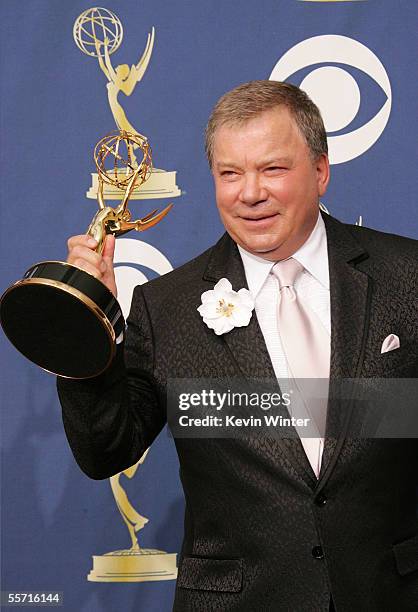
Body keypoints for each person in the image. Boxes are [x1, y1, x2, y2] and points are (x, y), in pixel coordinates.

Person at [58, 81, 418, 612]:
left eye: (272, 169)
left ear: (321, 171)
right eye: (230, 173)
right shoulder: (167, 306)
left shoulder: (405, 276)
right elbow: (104, 450)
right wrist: (82, 325)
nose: (249, 193)